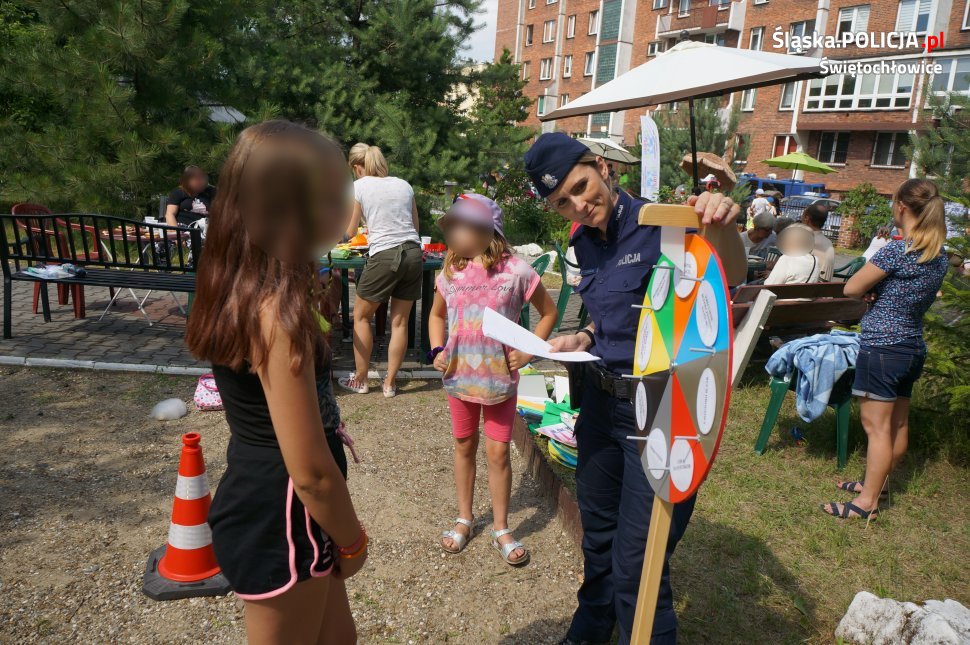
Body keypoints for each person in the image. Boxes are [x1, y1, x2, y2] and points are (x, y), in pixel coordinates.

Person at [524, 132, 741, 645]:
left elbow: (728, 273)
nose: (579, 205)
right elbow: (613, 318)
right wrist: (584, 336)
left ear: (603, 168)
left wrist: (721, 225)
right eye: (563, 202)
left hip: (663, 409)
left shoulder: (667, 223)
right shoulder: (582, 241)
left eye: (581, 186)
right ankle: (591, 629)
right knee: (599, 540)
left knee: (640, 564)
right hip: (600, 406)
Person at [184, 120, 365, 643]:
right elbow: (311, 473)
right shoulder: (276, 313)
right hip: (283, 515)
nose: (346, 210)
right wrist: (353, 541)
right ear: (287, 209)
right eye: (333, 197)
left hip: (286, 507)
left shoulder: (243, 282)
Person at [428, 193, 558, 566]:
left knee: (498, 452)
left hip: (500, 382)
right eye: (452, 227)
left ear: (489, 231)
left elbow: (549, 312)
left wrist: (530, 350)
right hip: (458, 380)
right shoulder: (449, 273)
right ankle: (464, 517)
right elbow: (437, 316)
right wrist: (437, 350)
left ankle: (501, 527)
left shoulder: (517, 272)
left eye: (463, 227)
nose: (455, 235)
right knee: (463, 445)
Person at [821, 178, 948, 521]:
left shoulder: (897, 250)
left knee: (877, 429)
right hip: (912, 347)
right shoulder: (938, 256)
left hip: (882, 348)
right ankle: (876, 486)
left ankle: (867, 504)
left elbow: (851, 287)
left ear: (901, 207)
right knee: (898, 425)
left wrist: (870, 290)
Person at [338, 143, 422, 397]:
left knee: (362, 317)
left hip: (385, 255)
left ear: (357, 167)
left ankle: (361, 380)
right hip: (413, 253)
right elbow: (415, 226)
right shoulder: (404, 185)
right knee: (400, 322)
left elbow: (349, 231)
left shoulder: (359, 186)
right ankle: (390, 384)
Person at [801, 202, 836, 280]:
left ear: (807, 218)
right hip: (820, 285)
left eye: (802, 215)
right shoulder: (828, 242)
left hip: (806, 284)